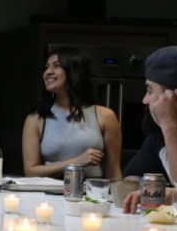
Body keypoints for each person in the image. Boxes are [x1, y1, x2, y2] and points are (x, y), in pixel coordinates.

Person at [22, 46, 122, 180]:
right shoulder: (36, 118)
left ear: (74, 71)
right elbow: (30, 171)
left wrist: (119, 199)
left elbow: (114, 171)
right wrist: (76, 162)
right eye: (47, 67)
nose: (48, 72)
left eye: (56, 66)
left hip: (91, 194)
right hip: (49, 195)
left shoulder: (105, 116)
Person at [122, 46, 177, 213]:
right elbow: (131, 178)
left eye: (149, 90)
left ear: (173, 95)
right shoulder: (158, 137)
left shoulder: (168, 130)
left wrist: (170, 125)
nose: (145, 100)